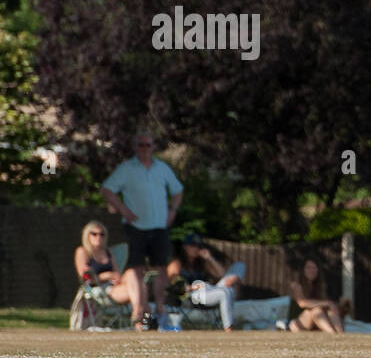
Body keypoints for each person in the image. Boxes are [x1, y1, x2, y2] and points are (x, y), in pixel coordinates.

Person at [100, 131, 183, 329]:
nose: (144, 148)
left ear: (153, 147)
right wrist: (123, 210)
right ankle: (138, 311)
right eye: (141, 145)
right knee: (135, 269)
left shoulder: (162, 168)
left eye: (148, 145)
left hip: (159, 226)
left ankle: (160, 310)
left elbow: (178, 191)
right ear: (136, 147)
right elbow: (107, 189)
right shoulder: (127, 169)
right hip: (135, 227)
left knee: (162, 268)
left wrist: (172, 210)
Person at [167, 234, 246, 331]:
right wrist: (193, 287)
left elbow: (221, 274)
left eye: (198, 246)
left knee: (239, 266)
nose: (196, 249)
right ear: (185, 247)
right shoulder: (177, 263)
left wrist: (209, 258)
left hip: (208, 289)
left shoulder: (201, 262)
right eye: (193, 246)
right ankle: (228, 327)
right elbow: (173, 286)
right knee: (226, 292)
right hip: (193, 295)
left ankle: (229, 284)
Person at [73, 220, 143, 321]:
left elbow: (116, 273)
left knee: (132, 273)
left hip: (113, 286)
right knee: (141, 290)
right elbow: (86, 278)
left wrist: (115, 277)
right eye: (94, 234)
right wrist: (107, 275)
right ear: (87, 235)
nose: (98, 237)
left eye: (102, 234)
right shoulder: (82, 251)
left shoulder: (107, 252)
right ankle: (141, 318)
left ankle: (138, 314)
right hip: (99, 290)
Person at [287, 259, 344, 333]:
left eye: (314, 267)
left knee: (330, 310)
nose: (311, 270)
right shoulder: (296, 285)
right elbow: (302, 303)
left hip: (316, 321)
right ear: (303, 270)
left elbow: (326, 306)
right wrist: (328, 303)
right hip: (298, 322)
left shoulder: (320, 286)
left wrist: (332, 306)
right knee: (316, 310)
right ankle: (332, 332)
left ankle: (340, 332)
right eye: (308, 267)